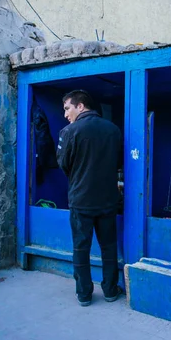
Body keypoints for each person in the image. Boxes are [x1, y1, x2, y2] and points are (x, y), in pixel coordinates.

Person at [57, 90, 123, 306]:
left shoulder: (69, 132)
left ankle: (84, 294)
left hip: (81, 200)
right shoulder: (113, 130)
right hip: (107, 201)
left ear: (81, 106)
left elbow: (63, 164)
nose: (66, 114)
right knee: (109, 247)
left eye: (68, 108)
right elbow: (119, 162)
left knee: (81, 249)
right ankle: (111, 290)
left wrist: (79, 176)